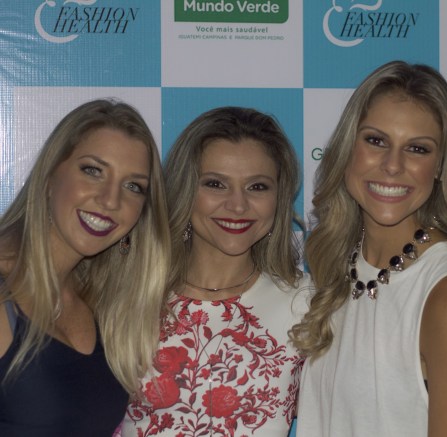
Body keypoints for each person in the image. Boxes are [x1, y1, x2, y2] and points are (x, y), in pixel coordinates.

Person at [292, 61, 447, 437]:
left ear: (440, 166)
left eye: (417, 149)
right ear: (348, 148)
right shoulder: (340, 265)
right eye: (376, 141)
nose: (392, 165)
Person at [121, 107, 310, 437]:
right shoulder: (126, 296)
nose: (237, 205)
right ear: (185, 190)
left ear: (279, 199)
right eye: (215, 184)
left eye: (257, 187)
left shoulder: (308, 306)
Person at [0, 99, 171, 436]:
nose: (110, 200)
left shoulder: (103, 306)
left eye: (133, 186)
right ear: (50, 176)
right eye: (93, 171)